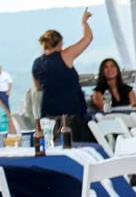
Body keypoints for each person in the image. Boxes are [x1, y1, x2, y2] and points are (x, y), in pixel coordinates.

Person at [32, 14, 93, 144]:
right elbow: (88, 38)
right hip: (71, 113)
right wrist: (84, 23)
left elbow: (38, 87)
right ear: (59, 43)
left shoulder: (36, 63)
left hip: (49, 114)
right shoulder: (65, 55)